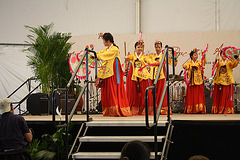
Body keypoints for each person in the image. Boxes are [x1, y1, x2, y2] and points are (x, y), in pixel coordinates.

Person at [95, 32, 132, 117]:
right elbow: (100, 53)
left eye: (104, 41)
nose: (103, 42)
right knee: (108, 89)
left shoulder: (114, 49)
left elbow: (104, 55)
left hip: (114, 71)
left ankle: (116, 109)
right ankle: (109, 110)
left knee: (113, 88)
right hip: (109, 71)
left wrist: (96, 56)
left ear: (108, 41)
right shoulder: (107, 48)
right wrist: (94, 55)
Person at [125, 40, 155, 115]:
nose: (140, 48)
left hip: (142, 76)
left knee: (144, 92)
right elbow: (128, 57)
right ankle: (134, 108)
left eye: (141, 47)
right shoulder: (133, 56)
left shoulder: (144, 57)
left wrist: (155, 63)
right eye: (138, 47)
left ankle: (145, 109)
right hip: (134, 76)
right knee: (133, 93)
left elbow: (149, 61)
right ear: (135, 48)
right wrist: (127, 57)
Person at [148, 41, 178, 115]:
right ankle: (154, 108)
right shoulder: (152, 55)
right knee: (153, 92)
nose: (157, 48)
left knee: (161, 91)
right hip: (153, 75)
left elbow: (172, 63)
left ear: (161, 48)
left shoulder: (164, 55)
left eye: (159, 47)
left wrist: (175, 59)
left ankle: (161, 108)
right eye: (156, 47)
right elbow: (148, 61)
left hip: (161, 75)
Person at [211, 49, 240, 114]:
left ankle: (227, 110)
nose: (224, 55)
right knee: (219, 96)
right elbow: (214, 68)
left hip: (227, 82)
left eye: (225, 54)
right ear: (220, 55)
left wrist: (237, 59)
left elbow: (235, 64)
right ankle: (218, 109)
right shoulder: (219, 62)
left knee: (227, 96)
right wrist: (216, 60)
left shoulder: (229, 62)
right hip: (219, 81)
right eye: (222, 54)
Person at [182, 48, 206, 114]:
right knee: (191, 96)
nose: (196, 56)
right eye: (195, 55)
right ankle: (191, 109)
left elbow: (203, 62)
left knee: (199, 96)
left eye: (197, 55)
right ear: (191, 56)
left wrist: (204, 56)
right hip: (191, 82)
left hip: (198, 81)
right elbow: (185, 65)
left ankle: (199, 109)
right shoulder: (189, 63)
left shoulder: (199, 63)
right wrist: (184, 67)